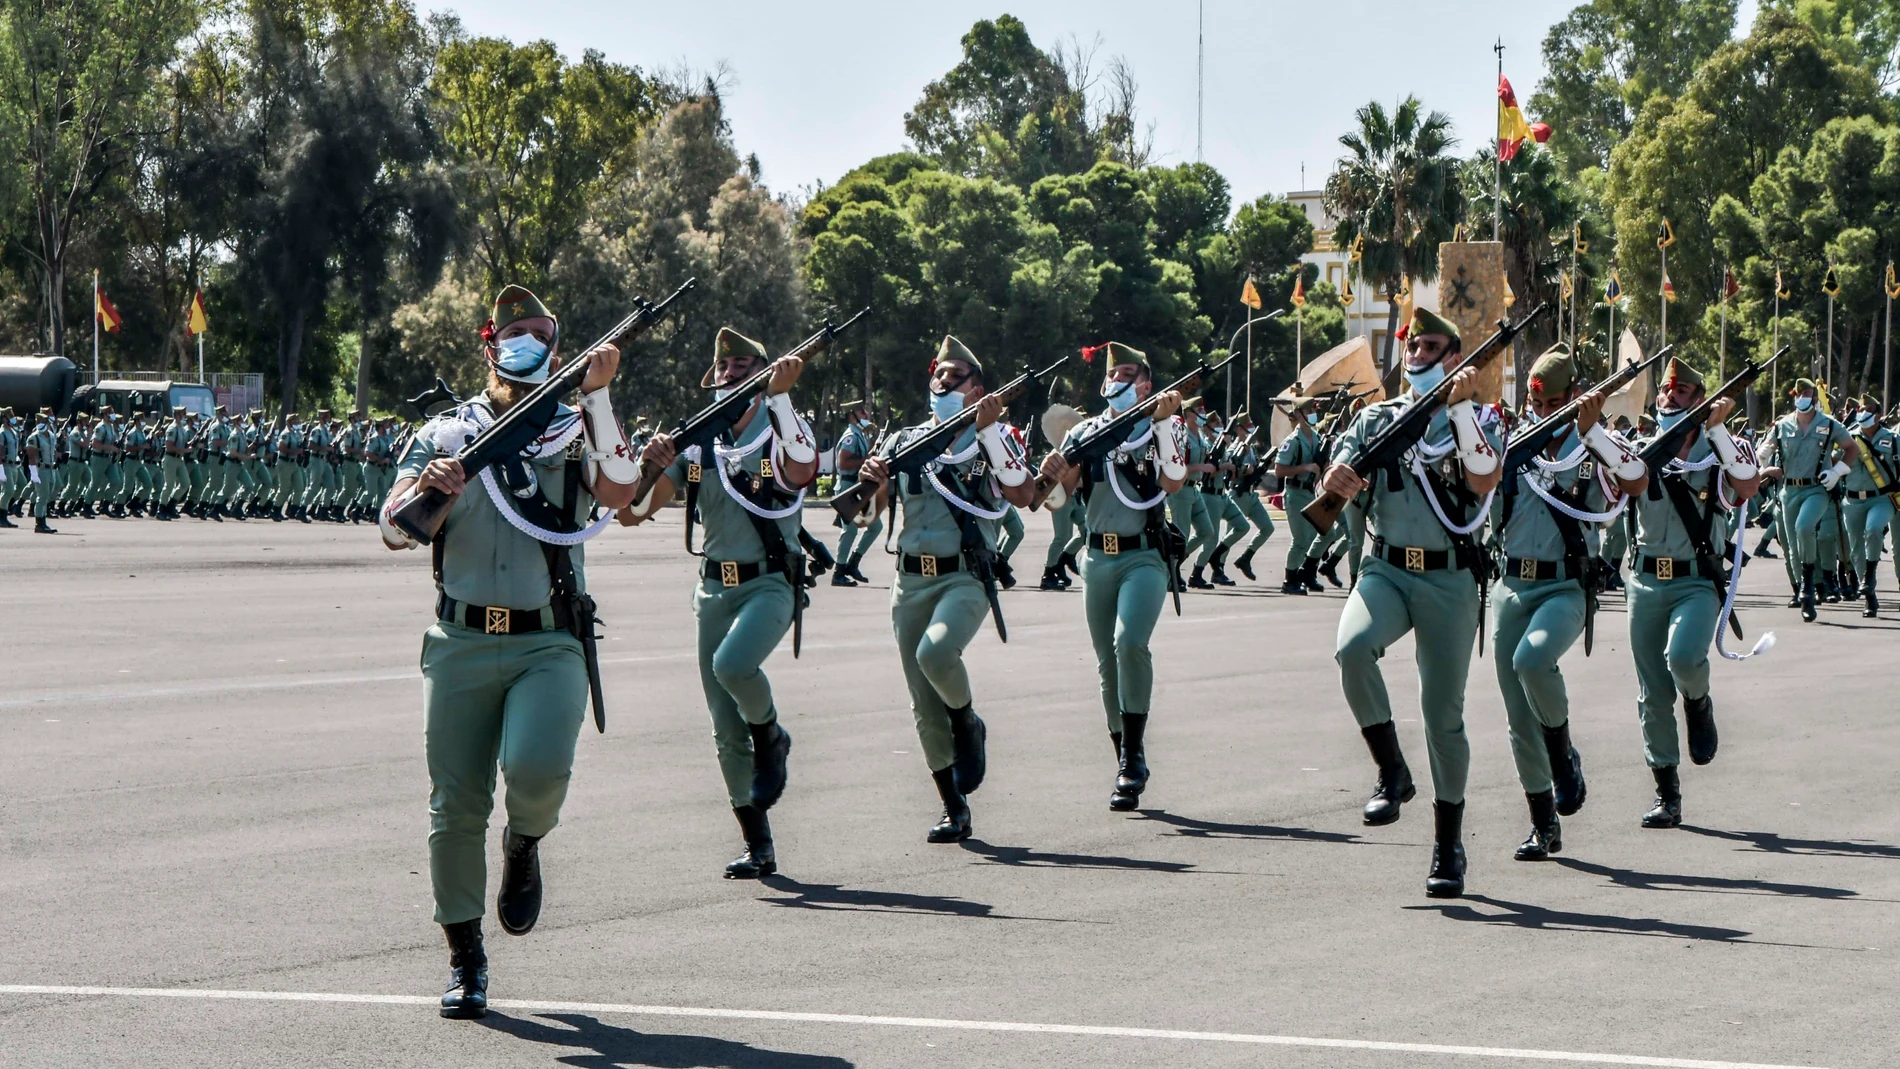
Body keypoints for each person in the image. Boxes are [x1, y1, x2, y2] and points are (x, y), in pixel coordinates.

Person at [379, 283, 639, 1020]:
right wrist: (431, 488)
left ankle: (524, 843)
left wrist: (599, 396)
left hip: (547, 640)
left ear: (558, 349)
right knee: (454, 805)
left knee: (535, 769)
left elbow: (621, 489)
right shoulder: (446, 432)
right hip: (460, 640)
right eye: (514, 328)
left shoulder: (571, 427)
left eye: (541, 330)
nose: (527, 339)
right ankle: (465, 955)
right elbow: (393, 528)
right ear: (488, 341)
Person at [620, 326, 816, 878]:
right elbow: (633, 511)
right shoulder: (701, 444)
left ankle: (772, 735)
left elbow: (803, 471)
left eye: (741, 365)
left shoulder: (783, 431)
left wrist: (782, 398)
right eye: (723, 367)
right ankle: (759, 844)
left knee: (733, 665)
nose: (729, 373)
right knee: (723, 724)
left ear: (763, 374)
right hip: (713, 590)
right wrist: (651, 466)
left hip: (770, 582)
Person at [1320, 307, 1502, 898]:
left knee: (1442, 717)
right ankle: (1392, 770)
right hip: (1387, 569)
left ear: (1455, 359)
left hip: (1449, 581)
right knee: (1351, 650)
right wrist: (1336, 479)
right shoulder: (1376, 418)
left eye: (1430, 347)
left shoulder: (1476, 421)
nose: (1417, 355)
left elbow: (1481, 480)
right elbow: (1337, 468)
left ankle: (1448, 844)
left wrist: (1458, 406)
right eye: (1413, 346)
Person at [855, 335, 1036, 841]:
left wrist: (992, 429)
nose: (942, 382)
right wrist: (872, 481)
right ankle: (952, 806)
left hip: (965, 574)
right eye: (938, 373)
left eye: (955, 376)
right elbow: (868, 514)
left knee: (936, 654)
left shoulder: (996, 439)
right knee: (920, 701)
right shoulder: (903, 441)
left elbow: (1023, 494)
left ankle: (967, 722)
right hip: (909, 579)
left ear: (978, 388)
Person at [1488, 347, 1648, 860]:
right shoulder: (1512, 443)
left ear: (1575, 395)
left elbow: (1637, 480)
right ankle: (1543, 824)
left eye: (1554, 402)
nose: (1543, 412)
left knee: (1532, 661)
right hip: (1510, 585)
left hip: (1563, 587)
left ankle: (1563, 756)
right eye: (1537, 403)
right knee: (1517, 715)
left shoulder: (1593, 445)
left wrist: (1593, 430)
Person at [1036, 342, 1189, 811]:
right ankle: (1125, 757)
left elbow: (1174, 480)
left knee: (1129, 644)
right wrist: (1052, 473)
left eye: (1129, 372)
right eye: (1114, 372)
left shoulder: (1164, 427)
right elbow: (1054, 499)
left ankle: (1133, 754)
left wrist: (1163, 421)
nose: (1119, 379)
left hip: (1144, 556)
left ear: (1146, 381)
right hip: (1097, 558)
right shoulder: (1085, 433)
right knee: (1107, 664)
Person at [1621, 357, 1761, 828]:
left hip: (1695, 581)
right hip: (1643, 581)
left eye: (1681, 393)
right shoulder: (1640, 448)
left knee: (1682, 659)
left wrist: (1719, 431)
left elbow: (1746, 485)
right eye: (1665, 391)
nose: (1669, 399)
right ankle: (1667, 792)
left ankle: (1699, 703)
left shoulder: (1723, 449)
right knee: (1652, 694)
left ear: (1699, 400)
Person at [1758, 378, 1859, 621]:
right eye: (1799, 393)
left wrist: (1837, 472)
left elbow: (1851, 448)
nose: (1803, 397)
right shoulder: (1782, 425)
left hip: (1816, 489)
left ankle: (1809, 585)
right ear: (1794, 396)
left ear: (1815, 398)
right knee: (1792, 546)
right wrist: (1765, 460)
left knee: (1805, 527)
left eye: (1808, 393)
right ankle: (1805, 587)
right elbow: (1766, 449)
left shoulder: (1829, 424)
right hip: (1788, 490)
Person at [1840, 395, 1897, 616]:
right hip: (1852, 500)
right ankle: (1869, 595)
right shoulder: (1848, 438)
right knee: (1855, 550)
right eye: (1861, 409)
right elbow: (1835, 460)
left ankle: (1870, 577)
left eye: (1868, 409)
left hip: (1881, 498)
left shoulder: (1892, 439)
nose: (1863, 412)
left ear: (1879, 415)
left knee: (1873, 530)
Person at [1275, 394, 1327, 594]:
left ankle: (1306, 574)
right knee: (1300, 539)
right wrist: (1305, 467)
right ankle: (1289, 580)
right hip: (1295, 493)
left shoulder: (1317, 438)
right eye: (1309, 411)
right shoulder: (1292, 441)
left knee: (1318, 535)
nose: (1314, 414)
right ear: (1299, 413)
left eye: (1314, 411)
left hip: (1311, 493)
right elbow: (1280, 470)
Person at [830, 399, 882, 586]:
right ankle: (839, 572)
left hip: (858, 488)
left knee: (876, 527)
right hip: (848, 487)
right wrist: (866, 460)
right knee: (850, 530)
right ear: (852, 416)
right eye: (861, 412)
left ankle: (853, 563)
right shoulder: (850, 436)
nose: (866, 415)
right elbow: (843, 463)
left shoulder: (859, 434)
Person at [1225, 411, 1276, 580]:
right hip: (1238, 494)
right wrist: (1243, 470)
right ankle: (1218, 565)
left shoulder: (1251, 449)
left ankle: (1246, 558)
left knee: (1267, 527)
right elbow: (1229, 473)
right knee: (1231, 533)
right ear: (1238, 429)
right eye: (1246, 427)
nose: (1249, 430)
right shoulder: (1233, 448)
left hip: (1251, 494)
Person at [25, 407, 59, 533]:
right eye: (38, 421)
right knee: (41, 496)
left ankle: (43, 520)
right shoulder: (34, 437)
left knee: (46, 496)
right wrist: (33, 473)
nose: (41, 423)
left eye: (43, 421)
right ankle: (39, 523)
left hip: (50, 469)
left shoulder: (50, 435)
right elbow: (31, 455)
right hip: (41, 469)